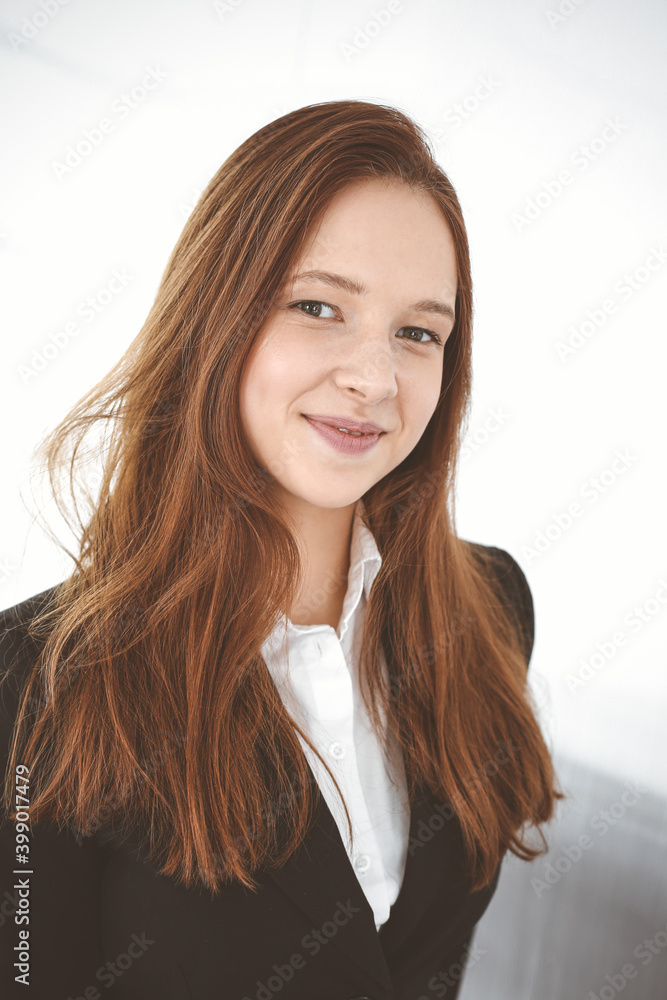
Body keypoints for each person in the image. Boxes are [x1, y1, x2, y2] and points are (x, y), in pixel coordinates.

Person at [0, 99, 563, 1000]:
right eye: (317, 306)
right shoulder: (36, 682)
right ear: (214, 317)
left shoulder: (492, 604)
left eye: (417, 333)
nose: (374, 379)